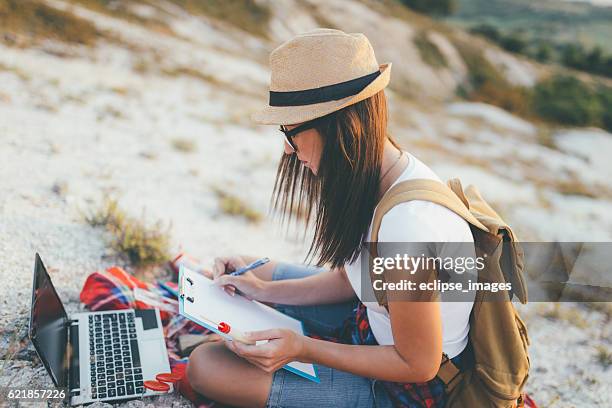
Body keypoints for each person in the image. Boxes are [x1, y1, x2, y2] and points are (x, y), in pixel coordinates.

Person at [187, 28, 475, 408]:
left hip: (407, 389)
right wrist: (263, 291)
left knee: (205, 366)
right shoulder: (381, 175)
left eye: (291, 132)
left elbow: (417, 363)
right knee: (257, 271)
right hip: (371, 325)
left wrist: (303, 350)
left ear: (338, 126)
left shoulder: (409, 225)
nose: (288, 151)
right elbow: (354, 278)